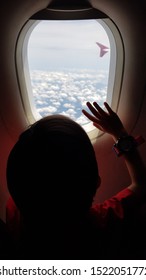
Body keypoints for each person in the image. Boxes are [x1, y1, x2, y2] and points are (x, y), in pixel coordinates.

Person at [6, 102, 146, 259]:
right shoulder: (102, 223)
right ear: (96, 182)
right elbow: (141, 185)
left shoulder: (15, 210)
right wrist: (120, 133)